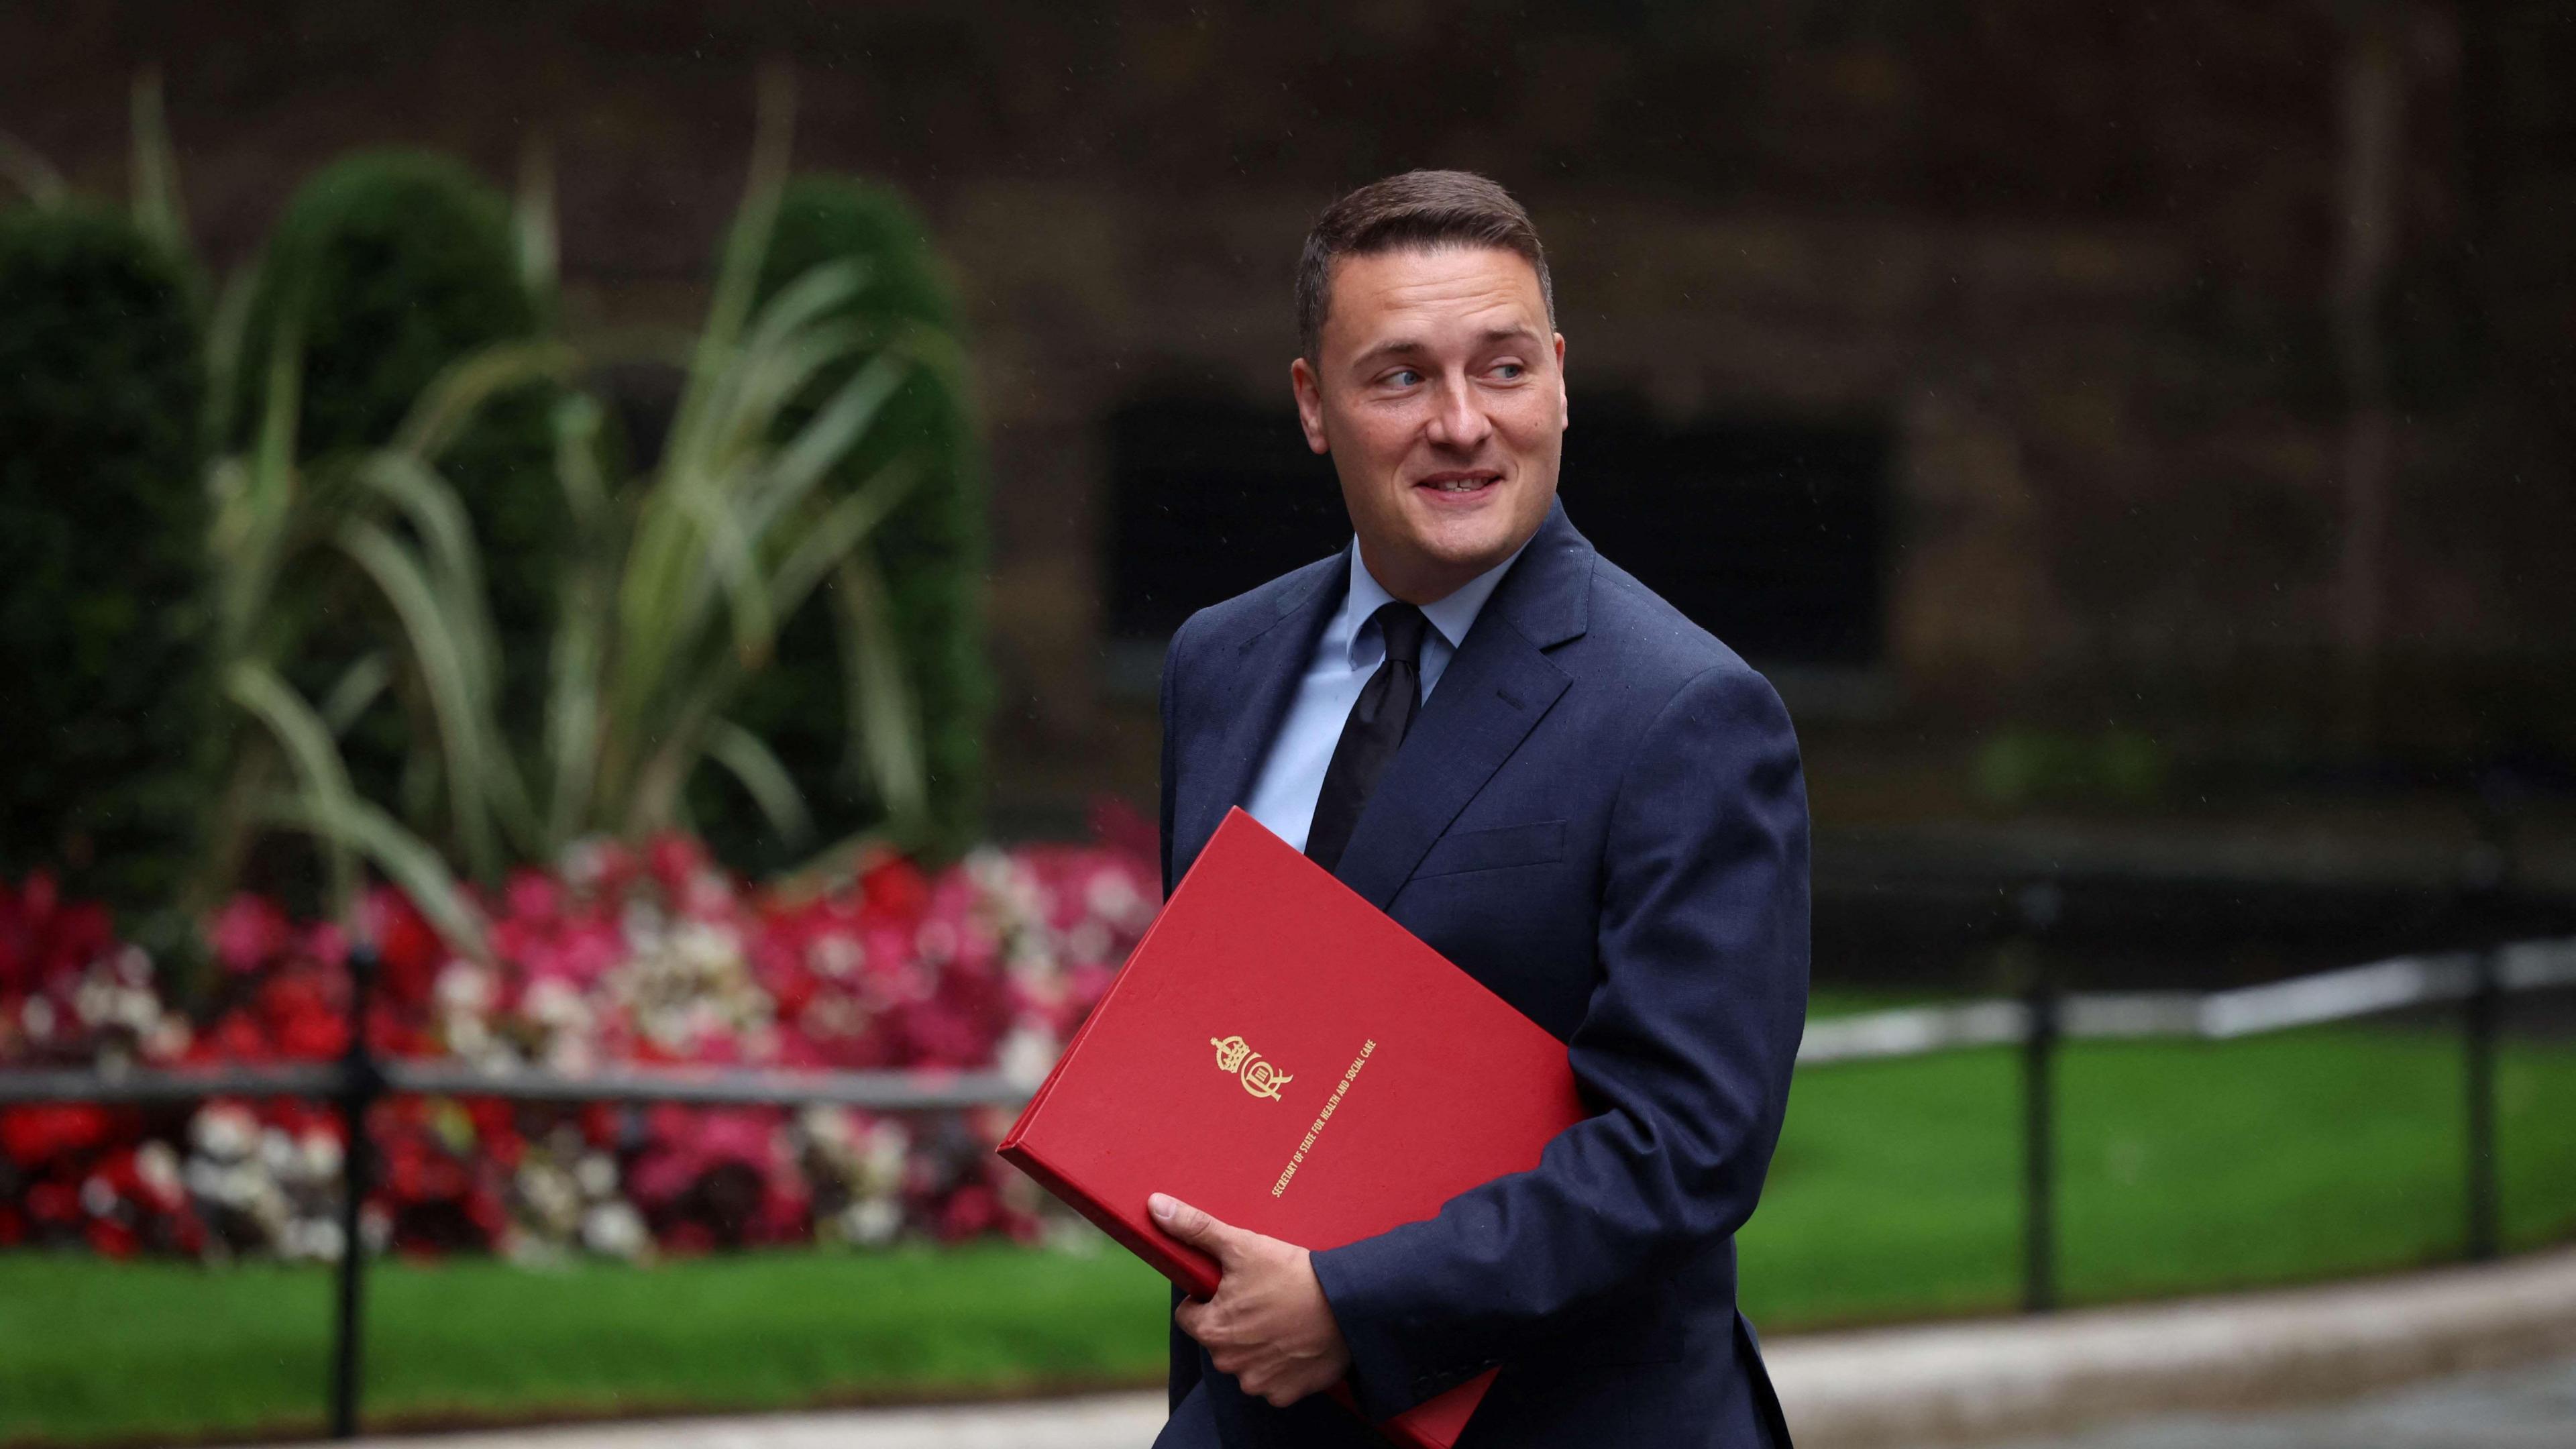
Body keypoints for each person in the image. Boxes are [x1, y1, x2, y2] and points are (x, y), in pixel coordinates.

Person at [1148, 170, 1808, 1448]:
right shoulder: (1217, 663)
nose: (1462, 423)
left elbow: (1686, 1145)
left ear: (1560, 380)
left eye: (1501, 370)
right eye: (1400, 378)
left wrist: (1354, 1302)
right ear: (1313, 406)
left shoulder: (1692, 714)